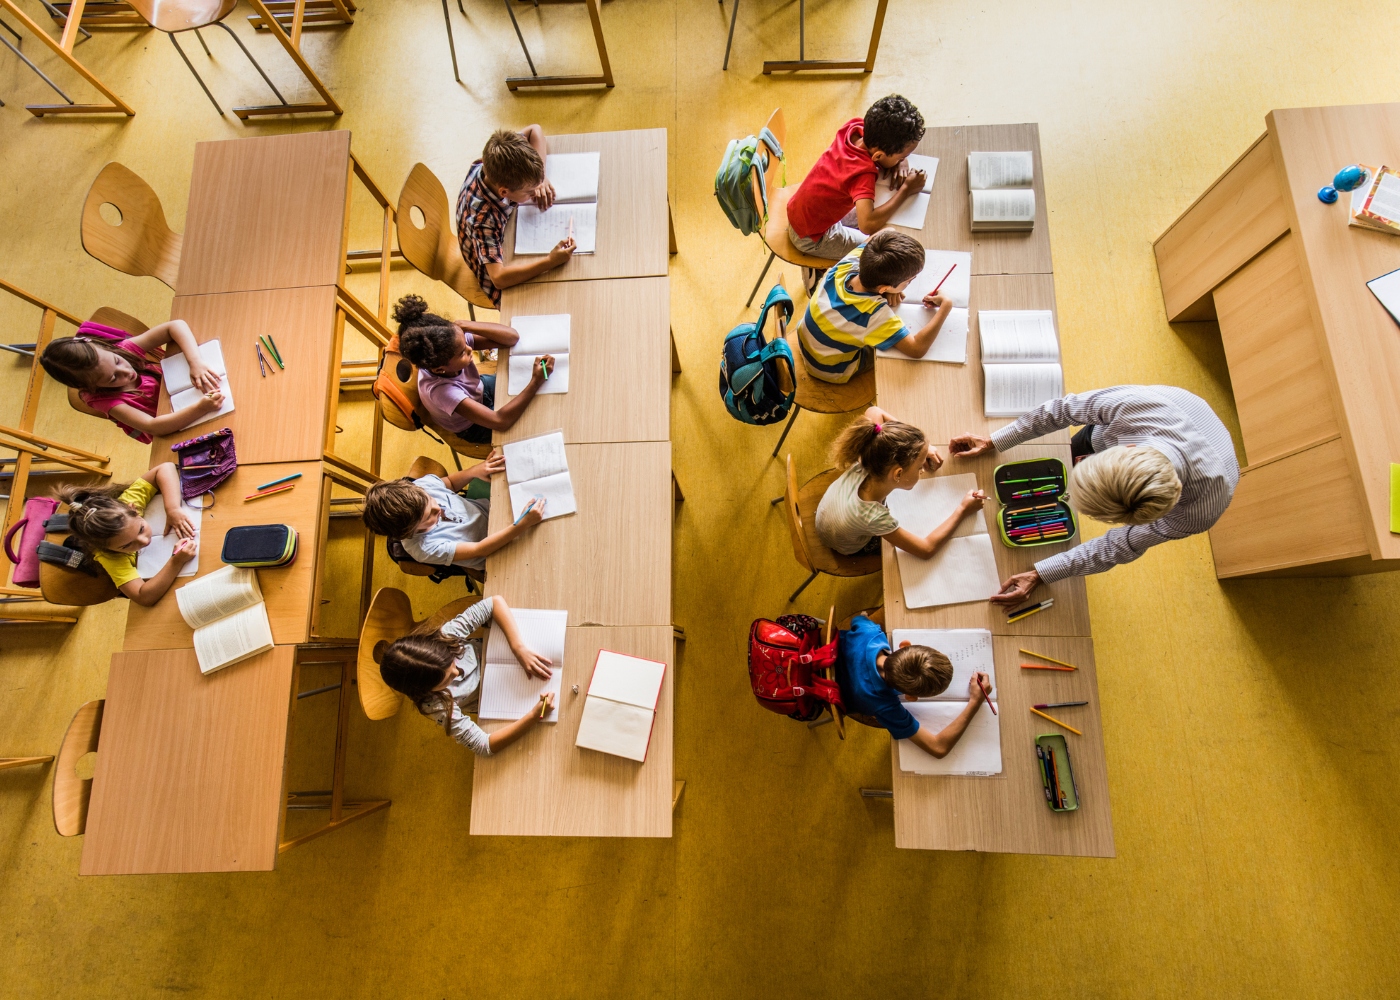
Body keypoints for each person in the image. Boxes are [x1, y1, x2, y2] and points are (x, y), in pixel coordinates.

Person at [949, 385, 1241, 604]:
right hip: (1169, 410)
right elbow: (1064, 410)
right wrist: (995, 440)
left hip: (1201, 458)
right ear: (1126, 447)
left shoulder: (1200, 511)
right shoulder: (1138, 407)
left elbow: (1121, 544)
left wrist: (1043, 573)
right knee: (1076, 445)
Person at [379, 595, 554, 756]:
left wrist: (518, 648)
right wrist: (533, 716)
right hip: (497, 700)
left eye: (452, 663)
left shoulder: (446, 636)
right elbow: (484, 746)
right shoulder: (435, 705)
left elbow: (494, 603)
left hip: (503, 656)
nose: (457, 673)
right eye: (447, 680)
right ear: (425, 690)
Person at [786, 94, 927, 284]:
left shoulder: (855, 127)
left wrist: (898, 160)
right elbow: (867, 224)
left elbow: (877, 154)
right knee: (877, 254)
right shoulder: (862, 174)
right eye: (902, 155)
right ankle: (816, 271)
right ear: (878, 156)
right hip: (812, 237)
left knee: (886, 223)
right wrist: (906, 190)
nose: (904, 159)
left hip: (805, 209)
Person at [816, 406, 986, 557]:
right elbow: (926, 549)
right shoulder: (874, 517)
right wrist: (963, 510)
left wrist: (919, 448)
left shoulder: (869, 454)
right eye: (919, 466)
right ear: (897, 474)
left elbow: (874, 411)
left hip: (824, 516)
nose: (922, 469)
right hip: (844, 545)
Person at [392, 294, 551, 444]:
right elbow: (500, 421)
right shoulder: (443, 392)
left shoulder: (452, 345)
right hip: (471, 426)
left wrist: (464, 325)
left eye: (465, 343)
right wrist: (535, 382)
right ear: (440, 369)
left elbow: (511, 338)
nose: (470, 349)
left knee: (535, 395)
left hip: (478, 390)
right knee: (534, 423)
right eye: (463, 353)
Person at [799, 230, 953, 384]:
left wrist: (888, 290)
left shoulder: (848, 264)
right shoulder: (873, 314)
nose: (909, 284)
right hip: (830, 369)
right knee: (889, 356)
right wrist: (946, 306)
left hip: (808, 343)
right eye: (909, 281)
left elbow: (889, 230)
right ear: (884, 288)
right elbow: (916, 349)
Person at [39, 319, 225, 444]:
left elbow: (175, 326)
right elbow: (154, 427)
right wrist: (201, 408)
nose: (126, 372)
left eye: (117, 361)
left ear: (106, 348)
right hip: (177, 425)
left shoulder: (123, 350)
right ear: (92, 388)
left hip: (184, 392)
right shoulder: (107, 402)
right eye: (113, 378)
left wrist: (195, 362)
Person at [836, 613, 989, 756]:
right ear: (910, 697)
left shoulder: (871, 634)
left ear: (904, 645)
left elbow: (858, 619)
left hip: (817, 654)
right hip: (830, 697)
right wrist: (975, 702)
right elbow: (938, 747)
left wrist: (864, 617)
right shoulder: (886, 707)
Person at [456, 125, 575, 308]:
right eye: (529, 191)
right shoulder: (484, 220)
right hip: (493, 270)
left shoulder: (496, 162)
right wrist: (549, 261)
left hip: (499, 238)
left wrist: (540, 178)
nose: (535, 193)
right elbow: (498, 278)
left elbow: (535, 130)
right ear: (504, 191)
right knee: (557, 303)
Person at [361, 456, 541, 572]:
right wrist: (523, 524)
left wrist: (474, 471)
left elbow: (450, 483)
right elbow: (481, 549)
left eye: (431, 500)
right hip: (497, 553)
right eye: (429, 517)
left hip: (496, 515)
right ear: (409, 532)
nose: (438, 508)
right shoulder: (423, 549)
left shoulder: (423, 487)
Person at [55, 463, 196, 606]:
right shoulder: (108, 556)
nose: (144, 541)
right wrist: (176, 562)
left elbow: (165, 468)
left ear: (133, 509)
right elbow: (143, 597)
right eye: (127, 545)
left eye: (141, 529)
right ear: (107, 548)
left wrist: (172, 509)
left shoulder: (127, 504)